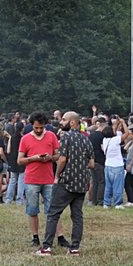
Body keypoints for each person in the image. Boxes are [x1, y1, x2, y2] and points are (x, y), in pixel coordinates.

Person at [37, 110, 94, 256]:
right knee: (77, 217)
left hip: (66, 182)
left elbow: (62, 159)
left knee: (53, 214)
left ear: (72, 122)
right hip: (81, 183)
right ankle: (74, 248)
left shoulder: (66, 137)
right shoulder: (86, 139)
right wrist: (79, 165)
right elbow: (92, 164)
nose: (61, 122)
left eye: (63, 120)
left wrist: (57, 176)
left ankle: (46, 247)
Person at [18, 112, 58, 248]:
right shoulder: (25, 139)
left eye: (41, 128)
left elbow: (58, 155)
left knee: (53, 210)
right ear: (32, 126)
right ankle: (35, 237)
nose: (39, 130)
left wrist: (51, 158)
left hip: (48, 179)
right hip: (31, 179)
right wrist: (33, 158)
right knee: (32, 209)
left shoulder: (52, 136)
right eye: (36, 128)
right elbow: (20, 160)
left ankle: (59, 236)